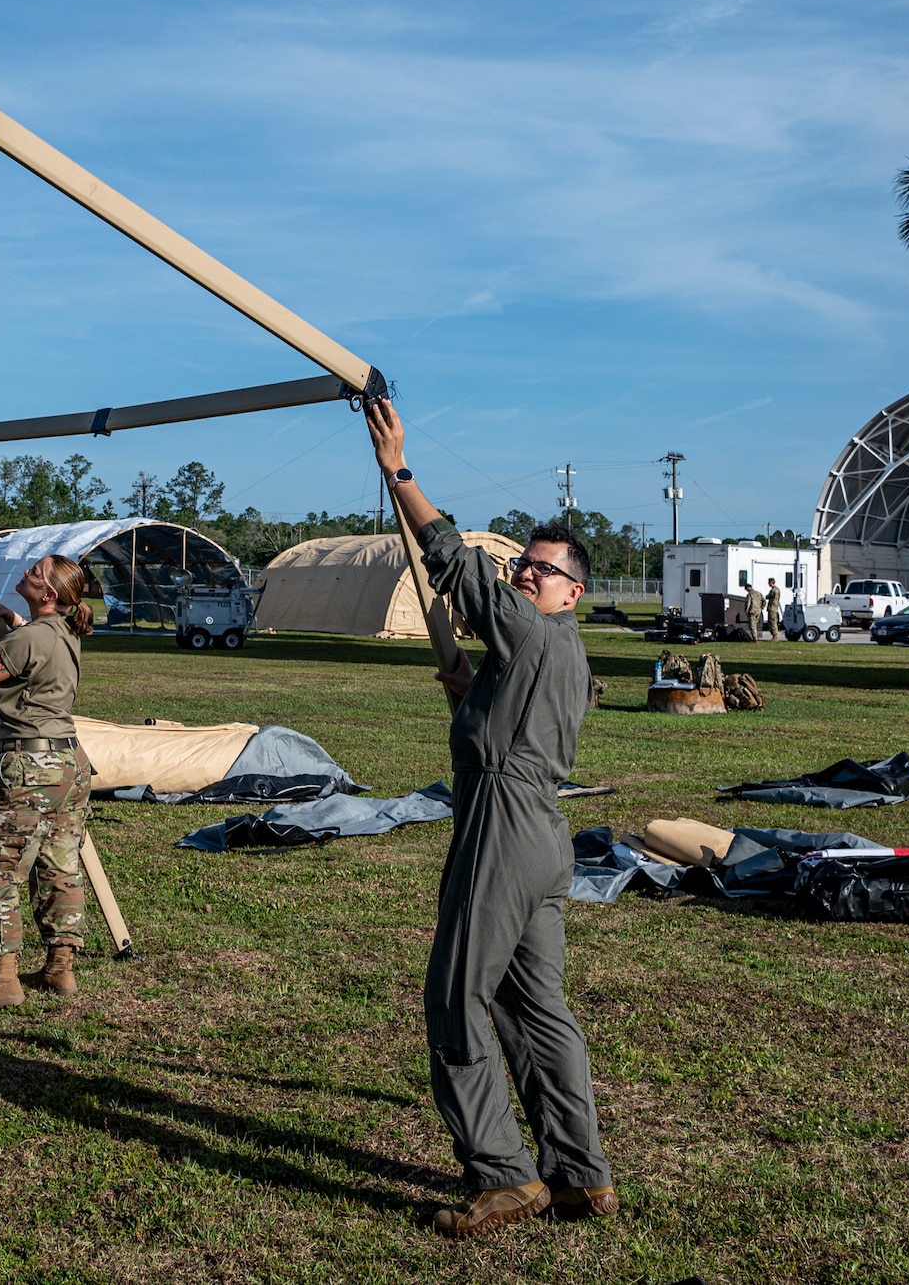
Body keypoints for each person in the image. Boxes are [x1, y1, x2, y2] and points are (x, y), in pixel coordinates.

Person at [366, 397, 615, 1240]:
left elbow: (454, 560)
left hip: (505, 829)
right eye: (525, 567)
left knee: (455, 999)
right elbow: (523, 720)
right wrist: (476, 697)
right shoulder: (564, 658)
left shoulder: (537, 631)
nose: (523, 576)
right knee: (536, 1008)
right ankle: (579, 1174)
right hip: (544, 838)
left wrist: (400, 471)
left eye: (539, 570)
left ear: (572, 591)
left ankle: (505, 1175)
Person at [0, 556, 96, 1009]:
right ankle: (59, 968)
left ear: (49, 595)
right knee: (59, 865)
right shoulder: (63, 630)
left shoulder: (31, 637)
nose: (28, 571)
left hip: (30, 768)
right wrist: (9, 619)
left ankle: (3, 980)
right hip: (69, 765)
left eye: (36, 571)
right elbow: (24, 647)